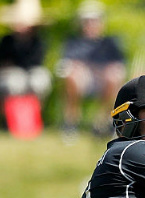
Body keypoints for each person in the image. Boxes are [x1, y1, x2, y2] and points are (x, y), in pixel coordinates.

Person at [56, 0, 126, 137]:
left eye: (95, 20)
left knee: (113, 77)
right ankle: (71, 122)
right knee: (71, 77)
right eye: (88, 21)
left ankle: (104, 121)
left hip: (104, 81)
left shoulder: (110, 43)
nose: (91, 24)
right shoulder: (73, 43)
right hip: (83, 81)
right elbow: (65, 66)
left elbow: (119, 67)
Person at [0, 0, 52, 104]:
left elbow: (37, 62)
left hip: (29, 75)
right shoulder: (6, 41)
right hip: (9, 76)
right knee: (14, 81)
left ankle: (33, 113)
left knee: (39, 79)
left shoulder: (38, 42)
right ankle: (11, 115)